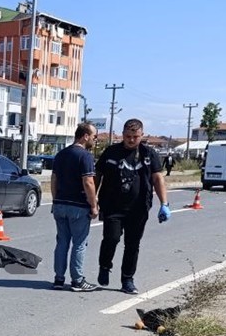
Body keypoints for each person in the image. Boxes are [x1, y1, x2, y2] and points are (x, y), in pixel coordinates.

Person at [94, 118, 170, 294]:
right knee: (111, 239)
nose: (131, 140)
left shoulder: (149, 154)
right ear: (123, 134)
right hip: (113, 206)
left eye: (135, 136)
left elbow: (158, 179)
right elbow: (98, 175)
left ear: (141, 135)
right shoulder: (111, 152)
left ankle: (127, 279)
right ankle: (104, 267)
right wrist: (94, 199)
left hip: (139, 208)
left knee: (132, 244)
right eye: (127, 136)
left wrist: (164, 203)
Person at [49, 122, 99, 292]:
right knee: (79, 243)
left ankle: (58, 278)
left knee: (62, 241)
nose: (94, 140)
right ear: (85, 136)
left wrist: (56, 201)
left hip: (60, 204)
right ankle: (77, 280)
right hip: (78, 206)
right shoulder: (85, 156)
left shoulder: (61, 154)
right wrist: (93, 205)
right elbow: (88, 182)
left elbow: (54, 179)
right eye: (94, 136)